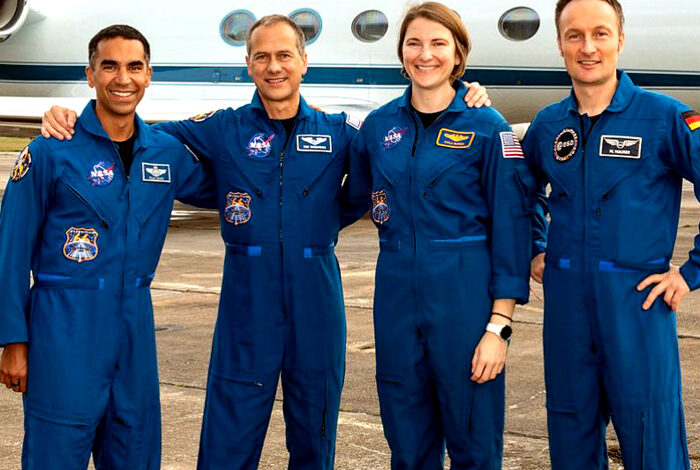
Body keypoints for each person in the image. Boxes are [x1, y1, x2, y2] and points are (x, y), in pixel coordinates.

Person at [39, 14, 492, 470]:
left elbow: (377, 175)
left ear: (303, 62)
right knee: (229, 436)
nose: (274, 67)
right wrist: (72, 118)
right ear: (249, 64)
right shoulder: (223, 128)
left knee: (315, 434)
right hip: (247, 299)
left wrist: (466, 95)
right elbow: (135, 134)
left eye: (284, 55)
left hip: (316, 297)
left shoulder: (341, 131)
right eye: (262, 57)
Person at [0, 25, 214, 469]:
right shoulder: (50, 151)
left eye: (134, 67)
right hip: (63, 327)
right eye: (110, 66)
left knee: (135, 450)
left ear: (149, 75)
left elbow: (234, 187)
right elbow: (10, 251)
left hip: (135, 328)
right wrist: (13, 341)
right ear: (90, 74)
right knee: (55, 454)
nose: (123, 78)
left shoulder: (165, 153)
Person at [345, 3, 532, 468]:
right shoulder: (378, 126)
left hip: (465, 303)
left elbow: (512, 228)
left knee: (474, 442)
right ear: (401, 53)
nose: (424, 55)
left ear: (458, 54)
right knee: (406, 443)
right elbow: (349, 195)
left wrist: (498, 328)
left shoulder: (488, 127)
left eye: (437, 43)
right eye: (414, 43)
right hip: (396, 304)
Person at [523, 0, 698, 468]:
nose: (588, 47)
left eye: (600, 33)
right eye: (575, 35)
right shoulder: (548, 125)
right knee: (570, 432)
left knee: (652, 439)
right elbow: (521, 192)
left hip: (637, 304)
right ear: (560, 44)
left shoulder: (665, 118)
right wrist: (536, 246)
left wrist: (690, 273)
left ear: (620, 39)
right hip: (566, 307)